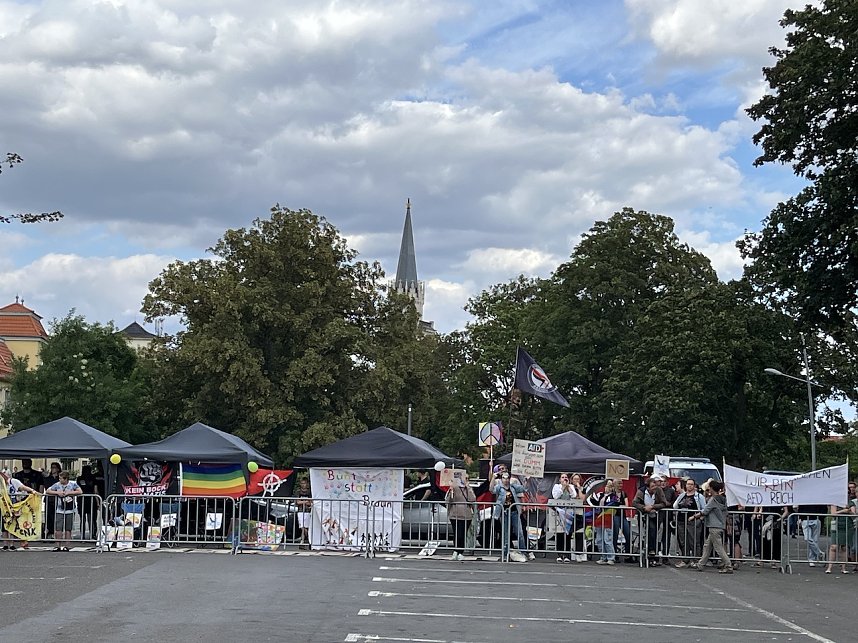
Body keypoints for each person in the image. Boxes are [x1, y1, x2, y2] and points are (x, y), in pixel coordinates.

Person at [688, 480, 733, 573]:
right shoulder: (723, 499)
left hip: (714, 526)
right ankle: (701, 564)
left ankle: (728, 565)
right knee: (707, 546)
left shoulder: (713, 500)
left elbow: (705, 511)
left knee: (718, 548)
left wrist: (693, 517)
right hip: (720, 525)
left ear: (712, 488)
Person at [1, 470, 41, 550]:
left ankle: (12, 544)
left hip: (14, 506)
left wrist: (32, 490)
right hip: (4, 507)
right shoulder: (1, 485)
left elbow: (22, 487)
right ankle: (5, 544)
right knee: (4, 525)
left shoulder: (13, 481)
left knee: (13, 524)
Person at [492, 471, 528, 562]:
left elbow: (524, 489)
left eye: (507, 478)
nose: (506, 480)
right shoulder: (499, 487)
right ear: (501, 479)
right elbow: (491, 490)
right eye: (504, 478)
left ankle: (523, 551)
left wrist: (526, 480)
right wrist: (493, 478)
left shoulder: (513, 487)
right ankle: (505, 553)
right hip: (504, 512)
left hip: (514, 512)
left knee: (519, 532)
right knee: (505, 533)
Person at [632, 475, 667, 566]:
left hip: (655, 515)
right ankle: (647, 551)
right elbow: (634, 503)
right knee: (648, 532)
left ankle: (652, 552)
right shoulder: (641, 491)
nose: (654, 488)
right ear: (647, 487)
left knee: (654, 532)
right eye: (652, 486)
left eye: (655, 486)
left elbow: (664, 503)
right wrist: (644, 508)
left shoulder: (659, 490)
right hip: (644, 515)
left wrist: (653, 507)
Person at [45, 470, 82, 551]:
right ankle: (58, 545)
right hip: (59, 509)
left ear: (66, 479)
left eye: (61, 478)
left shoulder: (73, 484)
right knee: (58, 528)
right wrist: (57, 493)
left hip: (70, 509)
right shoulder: (57, 485)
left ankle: (67, 546)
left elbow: (80, 491)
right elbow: (48, 490)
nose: (59, 480)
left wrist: (70, 493)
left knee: (68, 528)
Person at [673, 478, 706, 567]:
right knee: (683, 541)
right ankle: (685, 559)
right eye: (688, 484)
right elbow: (675, 506)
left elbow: (704, 509)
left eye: (691, 484)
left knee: (694, 541)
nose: (689, 486)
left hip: (693, 521)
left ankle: (696, 560)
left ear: (694, 486)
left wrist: (698, 517)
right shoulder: (682, 495)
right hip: (681, 521)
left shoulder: (699, 497)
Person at [588, 479, 621, 564]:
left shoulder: (613, 496)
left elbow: (615, 503)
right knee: (599, 539)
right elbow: (597, 504)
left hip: (607, 518)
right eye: (606, 486)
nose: (608, 488)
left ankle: (611, 557)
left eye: (610, 486)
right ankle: (603, 556)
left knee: (607, 539)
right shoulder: (601, 495)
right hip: (599, 518)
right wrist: (592, 498)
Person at [446, 472, 476, 560]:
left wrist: (468, 487)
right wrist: (451, 490)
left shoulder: (469, 489)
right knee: (456, 533)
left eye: (468, 479)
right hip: (455, 514)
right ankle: (456, 550)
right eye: (465, 478)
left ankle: (460, 552)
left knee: (462, 534)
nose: (466, 480)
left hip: (466, 515)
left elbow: (472, 499)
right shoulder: (455, 488)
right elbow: (448, 500)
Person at [551, 473, 576, 563]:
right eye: (563, 477)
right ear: (560, 479)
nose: (564, 479)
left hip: (568, 512)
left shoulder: (571, 486)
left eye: (566, 477)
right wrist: (563, 487)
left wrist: (568, 487)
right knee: (559, 534)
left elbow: (574, 495)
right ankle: (560, 554)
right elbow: (555, 496)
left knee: (568, 534)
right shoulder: (556, 486)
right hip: (559, 512)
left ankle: (567, 555)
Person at [824, 501, 855, 575]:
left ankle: (843, 568)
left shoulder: (850, 503)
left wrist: (849, 511)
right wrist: (844, 511)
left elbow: (854, 514)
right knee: (833, 546)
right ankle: (829, 567)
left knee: (844, 547)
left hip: (847, 526)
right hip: (836, 525)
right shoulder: (835, 502)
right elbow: (833, 514)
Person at [77, 465, 100, 540]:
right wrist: (98, 502)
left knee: (82, 519)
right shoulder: (93, 478)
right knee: (92, 519)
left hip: (81, 500)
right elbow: (95, 491)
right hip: (91, 500)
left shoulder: (79, 479)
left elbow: (77, 489)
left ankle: (82, 536)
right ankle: (92, 535)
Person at [42, 462, 61, 540]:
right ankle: (49, 533)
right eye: (52, 467)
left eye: (54, 467)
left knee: (57, 517)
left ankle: (55, 533)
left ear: (58, 469)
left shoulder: (59, 479)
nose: (53, 469)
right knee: (48, 517)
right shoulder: (48, 478)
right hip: (49, 499)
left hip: (58, 500)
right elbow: (47, 487)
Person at [295, 477, 312, 549]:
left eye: (304, 483)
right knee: (302, 526)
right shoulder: (298, 491)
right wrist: (305, 501)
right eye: (302, 483)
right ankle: (307, 539)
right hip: (300, 510)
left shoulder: (309, 492)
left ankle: (304, 541)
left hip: (308, 511)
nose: (303, 485)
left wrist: (303, 502)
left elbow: (310, 502)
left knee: (306, 527)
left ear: (307, 484)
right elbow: (297, 502)